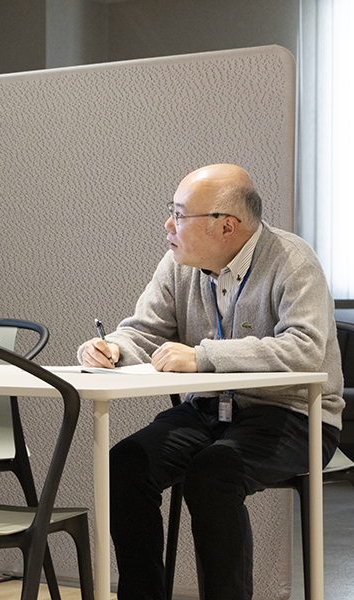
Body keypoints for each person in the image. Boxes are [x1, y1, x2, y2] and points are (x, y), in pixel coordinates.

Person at [78, 164, 344, 600]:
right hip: (208, 410)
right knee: (123, 465)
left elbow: (305, 349)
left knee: (212, 473)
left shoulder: (292, 260)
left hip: (294, 415)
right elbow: (144, 331)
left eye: (180, 215)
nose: (168, 225)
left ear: (226, 226)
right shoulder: (179, 263)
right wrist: (113, 349)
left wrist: (203, 357)